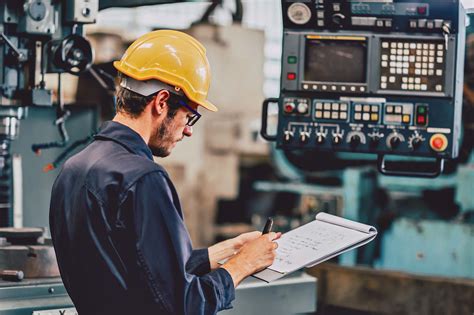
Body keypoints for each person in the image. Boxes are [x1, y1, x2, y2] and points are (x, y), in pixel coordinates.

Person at [49, 30, 280, 315]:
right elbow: (183, 305)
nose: (188, 129)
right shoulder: (143, 179)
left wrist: (215, 255)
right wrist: (242, 265)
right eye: (189, 115)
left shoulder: (74, 168)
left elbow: (130, 271)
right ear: (160, 102)